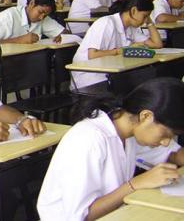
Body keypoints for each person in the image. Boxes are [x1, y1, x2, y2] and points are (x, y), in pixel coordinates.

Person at [37, 78, 184, 221]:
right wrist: (134, 184)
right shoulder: (89, 139)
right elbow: (82, 216)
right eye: (166, 135)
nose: (166, 142)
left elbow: (174, 154)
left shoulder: (130, 130)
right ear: (146, 116)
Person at [71, 0, 163, 90]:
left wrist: (149, 23)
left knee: (150, 77)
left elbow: (157, 44)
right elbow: (92, 55)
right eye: (144, 16)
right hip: (90, 78)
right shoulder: (106, 23)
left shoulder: (130, 27)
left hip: (111, 74)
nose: (145, 20)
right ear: (133, 11)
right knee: (142, 82)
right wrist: (121, 51)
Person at [0, 0, 66, 44]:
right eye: (40, 12)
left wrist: (63, 36)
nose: (42, 17)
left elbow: (65, 32)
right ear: (31, 3)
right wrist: (19, 40)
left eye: (45, 15)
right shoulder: (8, 16)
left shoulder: (43, 18)